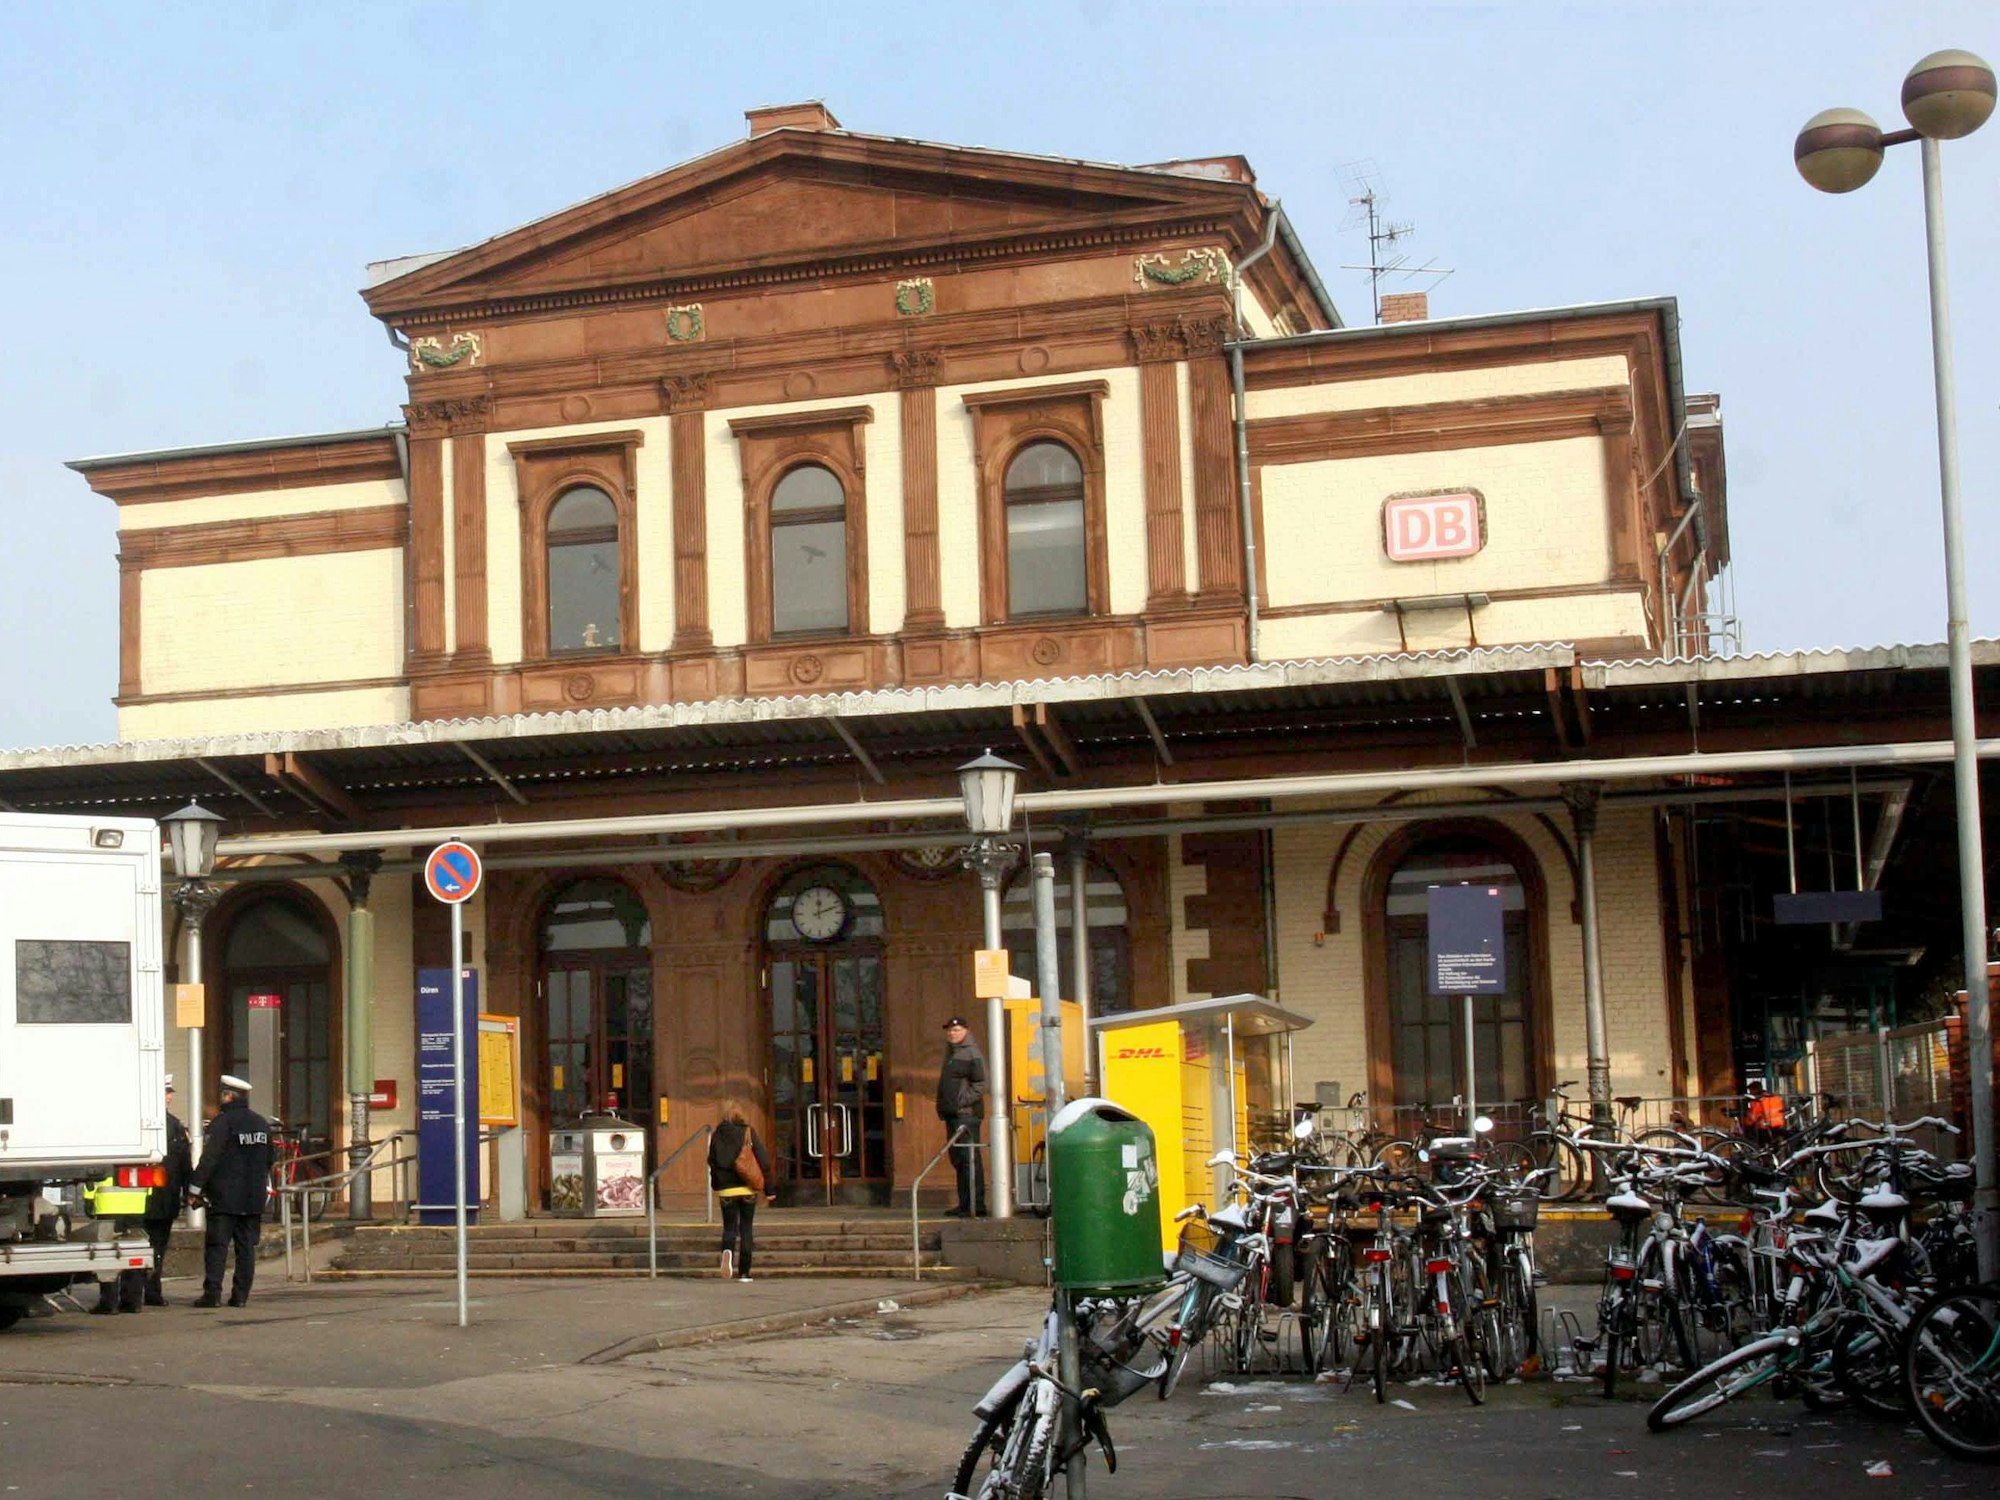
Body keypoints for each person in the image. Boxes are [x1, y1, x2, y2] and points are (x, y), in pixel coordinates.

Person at [187, 1075, 273, 1308]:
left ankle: (212, 1294)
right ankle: (240, 1296)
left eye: (223, 1095)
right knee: (246, 1250)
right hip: (253, 1199)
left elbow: (210, 1159)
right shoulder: (261, 1124)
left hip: (224, 1200)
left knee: (217, 1247)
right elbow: (270, 1160)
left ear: (228, 1096)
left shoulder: (222, 1123)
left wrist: (194, 1188)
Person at [706, 1099, 773, 1282]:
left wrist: (716, 1184)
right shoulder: (748, 1132)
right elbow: (763, 1160)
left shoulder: (717, 1135)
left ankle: (727, 1251)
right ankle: (744, 1272)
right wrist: (769, 1188)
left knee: (729, 1227)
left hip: (727, 1191)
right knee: (746, 1228)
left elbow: (712, 1161)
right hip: (747, 1188)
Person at [143, 1076, 193, 1306]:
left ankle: (134, 1293)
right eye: (166, 1092)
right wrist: (189, 1192)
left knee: (140, 1245)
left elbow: (182, 1162)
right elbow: (184, 1164)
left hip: (142, 1199)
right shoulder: (174, 1126)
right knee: (157, 1245)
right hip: (163, 1198)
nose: (170, 1096)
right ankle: (152, 1291)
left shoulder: (138, 1122)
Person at [935, 1016, 988, 1218]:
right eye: (949, 1030)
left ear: (966, 1031)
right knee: (959, 1160)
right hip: (953, 1115)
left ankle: (976, 1204)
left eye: (956, 1030)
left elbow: (981, 1084)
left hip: (966, 1116)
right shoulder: (953, 1053)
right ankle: (965, 1204)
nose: (952, 1033)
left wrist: (960, 1101)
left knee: (969, 1159)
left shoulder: (971, 1053)